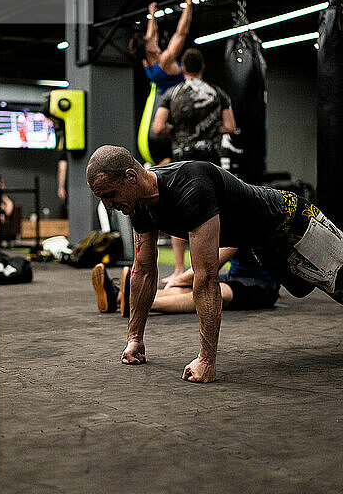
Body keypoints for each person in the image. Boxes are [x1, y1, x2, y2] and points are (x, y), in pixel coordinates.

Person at [86, 145, 343, 383]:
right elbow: (143, 270)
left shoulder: (191, 185)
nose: (109, 206)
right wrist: (134, 339)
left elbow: (207, 276)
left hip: (293, 222)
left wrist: (207, 361)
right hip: (262, 246)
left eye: (110, 195)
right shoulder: (138, 205)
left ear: (131, 177)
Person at [152, 47, 237, 286]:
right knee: (211, 212)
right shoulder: (217, 93)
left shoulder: (171, 92)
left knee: (177, 210)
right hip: (208, 159)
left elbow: (158, 127)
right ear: (203, 67)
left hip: (181, 158)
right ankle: (203, 269)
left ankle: (179, 270)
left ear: (182, 68)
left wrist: (178, 132)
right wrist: (211, 129)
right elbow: (230, 126)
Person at [91, 247, 280, 316]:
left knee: (215, 291)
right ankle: (118, 298)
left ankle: (138, 303)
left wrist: (179, 278)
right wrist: (181, 280)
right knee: (194, 285)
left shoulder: (244, 218)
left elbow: (213, 261)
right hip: (235, 277)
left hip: (262, 286)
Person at [128, 0, 196, 95]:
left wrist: (152, 16)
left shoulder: (145, 61)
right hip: (183, 98)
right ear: (149, 49)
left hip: (172, 100)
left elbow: (152, 35)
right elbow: (181, 33)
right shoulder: (164, 61)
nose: (153, 39)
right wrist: (188, 4)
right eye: (150, 41)